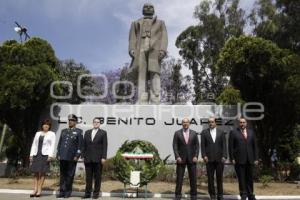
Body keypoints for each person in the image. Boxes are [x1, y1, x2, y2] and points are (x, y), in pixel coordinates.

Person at [129, 3, 168, 104]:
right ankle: (142, 99)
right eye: (145, 7)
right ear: (142, 10)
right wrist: (131, 49)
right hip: (140, 49)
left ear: (154, 10)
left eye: (151, 7)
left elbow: (164, 37)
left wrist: (163, 50)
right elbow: (132, 37)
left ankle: (155, 99)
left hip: (154, 50)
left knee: (155, 74)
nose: (148, 8)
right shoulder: (135, 23)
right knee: (141, 75)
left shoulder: (160, 22)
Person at [229, 117, 259, 200]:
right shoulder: (234, 132)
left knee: (250, 178)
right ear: (239, 124)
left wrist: (256, 158)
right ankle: (243, 194)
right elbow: (231, 147)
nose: (242, 124)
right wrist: (232, 158)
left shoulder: (251, 132)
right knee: (241, 178)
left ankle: (251, 194)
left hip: (250, 159)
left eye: (243, 122)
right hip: (239, 159)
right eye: (241, 122)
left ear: (246, 123)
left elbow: (255, 146)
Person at [56, 114, 83, 198]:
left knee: (70, 175)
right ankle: (62, 191)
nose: (70, 122)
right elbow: (60, 144)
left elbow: (80, 145)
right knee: (62, 174)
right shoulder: (64, 131)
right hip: (63, 156)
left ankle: (68, 191)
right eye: (69, 120)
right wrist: (58, 154)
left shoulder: (79, 131)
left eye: (72, 120)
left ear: (75, 122)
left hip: (72, 157)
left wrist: (77, 155)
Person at [173, 118, 199, 200]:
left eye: (186, 122)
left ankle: (194, 195)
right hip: (181, 159)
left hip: (192, 159)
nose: (185, 124)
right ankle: (178, 195)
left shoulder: (194, 133)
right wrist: (177, 156)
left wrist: (196, 156)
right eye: (184, 122)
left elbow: (197, 146)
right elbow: (175, 146)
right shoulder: (177, 133)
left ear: (189, 123)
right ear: (182, 124)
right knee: (179, 179)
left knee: (193, 178)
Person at [201, 117, 227, 200]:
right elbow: (203, 146)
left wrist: (224, 156)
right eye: (209, 122)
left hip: (220, 159)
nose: (210, 123)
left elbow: (224, 145)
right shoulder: (204, 132)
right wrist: (204, 155)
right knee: (210, 178)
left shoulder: (221, 132)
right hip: (209, 159)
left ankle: (220, 195)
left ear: (215, 123)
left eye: (212, 122)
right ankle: (212, 195)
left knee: (219, 178)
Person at [82, 117, 108, 199]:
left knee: (97, 177)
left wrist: (104, 157)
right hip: (88, 158)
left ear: (100, 124)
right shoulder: (87, 132)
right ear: (92, 123)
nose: (96, 123)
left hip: (98, 159)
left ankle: (96, 194)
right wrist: (83, 156)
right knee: (88, 178)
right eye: (95, 122)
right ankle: (87, 194)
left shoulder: (103, 133)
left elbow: (105, 146)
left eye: (98, 122)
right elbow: (84, 145)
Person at [29, 119, 56, 198]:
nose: (46, 125)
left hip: (45, 155)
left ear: (49, 126)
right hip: (36, 154)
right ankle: (35, 189)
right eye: (44, 124)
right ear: (42, 125)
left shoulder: (52, 134)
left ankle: (39, 190)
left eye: (47, 124)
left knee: (43, 172)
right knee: (36, 172)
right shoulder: (37, 133)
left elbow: (52, 145)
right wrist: (31, 155)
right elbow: (34, 144)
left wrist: (50, 155)